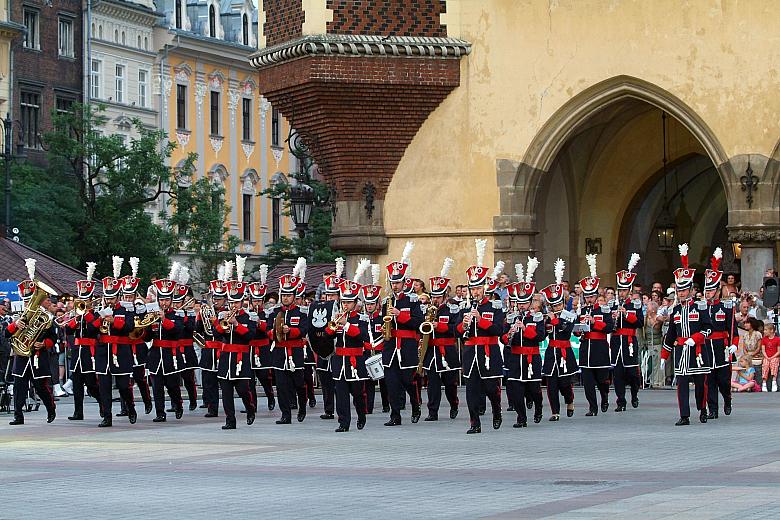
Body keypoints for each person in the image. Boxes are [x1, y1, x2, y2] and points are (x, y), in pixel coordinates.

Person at [662, 244, 713, 425]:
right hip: (681, 352)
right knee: (681, 384)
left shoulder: (700, 306)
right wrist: (664, 355)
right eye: (679, 290)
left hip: (698, 352)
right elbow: (671, 334)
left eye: (684, 290)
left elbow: (708, 328)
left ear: (691, 290)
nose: (681, 293)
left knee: (701, 385)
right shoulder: (675, 310)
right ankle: (684, 415)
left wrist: (695, 338)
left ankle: (702, 408)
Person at [459, 241, 505, 434]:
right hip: (471, 353)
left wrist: (481, 321)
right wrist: (465, 324)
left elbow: (498, 330)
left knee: (490, 388)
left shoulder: (494, 306)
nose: (475, 292)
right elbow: (456, 331)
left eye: (478, 288)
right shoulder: (464, 307)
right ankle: (474, 423)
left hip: (488, 352)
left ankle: (496, 410)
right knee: (471, 391)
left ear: (484, 288)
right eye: (473, 289)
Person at [6, 261, 57, 425]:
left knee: (40, 387)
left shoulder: (45, 317)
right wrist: (16, 325)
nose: (29, 304)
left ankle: (50, 408)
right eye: (27, 302)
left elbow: (53, 338)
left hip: (36, 356)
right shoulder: (17, 316)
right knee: (19, 387)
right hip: (21, 357)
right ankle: (18, 416)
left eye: (31, 301)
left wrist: (44, 344)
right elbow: (6, 333)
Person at [381, 242, 424, 427]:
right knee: (391, 383)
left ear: (405, 282)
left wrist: (401, 315)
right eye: (393, 282)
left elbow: (419, 323)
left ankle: (415, 406)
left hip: (406, 346)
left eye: (397, 282)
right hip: (390, 346)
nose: (395, 285)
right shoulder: (387, 301)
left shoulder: (412, 300)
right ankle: (395, 415)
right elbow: (380, 323)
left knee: (408, 381)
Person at [95, 257, 138, 427]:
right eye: (107, 297)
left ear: (118, 296)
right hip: (103, 353)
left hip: (121, 352)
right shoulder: (100, 310)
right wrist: (98, 320)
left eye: (112, 298)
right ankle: (107, 416)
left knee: (123, 386)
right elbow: (92, 330)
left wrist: (114, 321)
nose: (109, 301)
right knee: (104, 387)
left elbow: (130, 326)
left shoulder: (126, 309)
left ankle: (131, 407)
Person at [214, 258, 257, 430]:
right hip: (226, 358)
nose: (234, 305)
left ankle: (250, 408)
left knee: (242, 389)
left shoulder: (248, 317)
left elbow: (250, 336)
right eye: (231, 302)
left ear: (242, 302)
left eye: (237, 302)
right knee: (226, 392)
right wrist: (222, 327)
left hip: (241, 358)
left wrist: (237, 325)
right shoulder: (222, 315)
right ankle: (230, 420)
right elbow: (215, 334)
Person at [268, 258, 310, 424]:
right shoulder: (274, 312)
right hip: (279, 353)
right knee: (282, 386)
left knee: (299, 384)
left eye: (288, 295)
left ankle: (302, 407)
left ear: (294, 296)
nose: (285, 298)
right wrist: (275, 331)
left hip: (295, 353)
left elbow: (304, 330)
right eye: (283, 295)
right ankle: (285, 414)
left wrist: (289, 331)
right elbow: (267, 330)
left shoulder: (301, 313)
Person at [503, 257, 545, 427]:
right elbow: (502, 337)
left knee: (533, 389)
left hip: (531, 357)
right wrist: (510, 333)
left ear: (529, 303)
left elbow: (540, 336)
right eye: (519, 303)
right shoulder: (511, 317)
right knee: (515, 389)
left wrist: (525, 328)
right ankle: (521, 418)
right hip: (515, 358)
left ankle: (539, 407)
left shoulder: (537, 317)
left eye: (524, 303)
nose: (521, 306)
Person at [327, 274, 370, 432]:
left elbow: (363, 336)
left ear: (355, 303)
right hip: (339, 361)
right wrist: (331, 328)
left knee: (358, 394)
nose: (345, 305)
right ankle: (343, 422)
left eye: (348, 302)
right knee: (341, 394)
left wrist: (346, 325)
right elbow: (328, 336)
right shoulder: (337, 318)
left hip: (355, 361)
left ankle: (361, 415)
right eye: (343, 302)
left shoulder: (362, 319)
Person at [421, 258, 462, 421]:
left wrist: (439, 326)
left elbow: (455, 330)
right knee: (432, 383)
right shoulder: (426, 309)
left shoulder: (453, 309)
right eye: (433, 296)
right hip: (432, 351)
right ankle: (433, 412)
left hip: (447, 351)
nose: (435, 299)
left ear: (445, 295)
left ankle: (454, 404)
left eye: (438, 296)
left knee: (450, 383)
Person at [145, 265, 186, 423]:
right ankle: (160, 412)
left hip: (171, 355)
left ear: (171, 300)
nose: (164, 302)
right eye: (161, 299)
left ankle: (178, 403)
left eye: (166, 300)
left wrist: (164, 320)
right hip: (156, 354)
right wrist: (146, 326)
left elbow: (177, 331)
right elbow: (147, 337)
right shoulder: (152, 313)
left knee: (173, 386)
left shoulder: (177, 314)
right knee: (156, 387)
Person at [540, 258, 579, 422]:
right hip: (551, 352)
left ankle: (569, 400)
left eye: (557, 306)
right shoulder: (548, 316)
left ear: (562, 304)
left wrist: (555, 320)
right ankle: (555, 411)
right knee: (551, 384)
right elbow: (544, 333)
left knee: (564, 384)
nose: (555, 309)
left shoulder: (569, 315)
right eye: (553, 306)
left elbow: (566, 330)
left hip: (564, 351)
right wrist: (544, 322)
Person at [575, 254, 614, 416]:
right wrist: (578, 329)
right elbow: (577, 330)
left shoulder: (603, 310)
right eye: (587, 296)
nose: (589, 299)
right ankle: (593, 406)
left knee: (602, 380)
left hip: (600, 348)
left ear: (597, 297)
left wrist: (594, 323)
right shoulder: (582, 311)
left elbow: (609, 327)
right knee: (588, 383)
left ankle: (604, 396)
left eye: (592, 296)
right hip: (586, 348)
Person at [63, 262, 102, 421]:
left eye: (86, 299)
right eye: (82, 299)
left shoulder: (97, 315)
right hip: (78, 352)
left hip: (90, 353)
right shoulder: (78, 316)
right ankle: (78, 412)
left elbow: (93, 329)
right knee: (77, 384)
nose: (83, 302)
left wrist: (85, 315)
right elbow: (68, 331)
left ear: (91, 300)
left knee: (92, 385)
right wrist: (76, 319)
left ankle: (103, 404)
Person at [703, 248, 738, 419]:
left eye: (711, 290)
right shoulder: (701, 307)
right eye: (706, 290)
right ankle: (713, 409)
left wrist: (734, 345)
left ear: (717, 291)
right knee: (709, 381)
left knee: (723, 381)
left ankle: (728, 400)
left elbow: (734, 332)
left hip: (722, 347)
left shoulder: (725, 307)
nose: (708, 293)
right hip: (707, 347)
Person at [309, 259, 343, 420]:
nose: (330, 298)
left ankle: (346, 409)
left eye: (333, 294)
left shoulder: (344, 310)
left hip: (339, 352)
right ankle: (329, 409)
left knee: (340, 384)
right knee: (326, 382)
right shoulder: (319, 308)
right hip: (324, 349)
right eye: (328, 294)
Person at [611, 254, 644, 412]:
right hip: (617, 341)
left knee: (632, 373)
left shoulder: (636, 304)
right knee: (617, 374)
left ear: (629, 291)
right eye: (620, 290)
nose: (621, 293)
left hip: (630, 340)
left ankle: (634, 394)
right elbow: (608, 326)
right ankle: (620, 401)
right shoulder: (612, 305)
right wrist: (613, 318)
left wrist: (626, 315)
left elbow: (640, 323)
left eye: (624, 290)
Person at [120, 258, 153, 416]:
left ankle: (147, 400)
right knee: (124, 379)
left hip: (138, 345)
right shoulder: (119, 308)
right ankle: (125, 406)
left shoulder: (140, 308)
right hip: (123, 346)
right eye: (125, 296)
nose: (127, 299)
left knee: (139, 378)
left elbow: (146, 326)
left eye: (130, 296)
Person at [198, 266, 228, 418]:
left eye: (218, 299)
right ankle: (212, 408)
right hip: (208, 350)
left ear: (225, 299)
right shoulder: (206, 310)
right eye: (214, 298)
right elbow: (198, 330)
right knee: (208, 381)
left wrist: (216, 321)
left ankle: (228, 407)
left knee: (224, 382)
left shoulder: (228, 313)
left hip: (222, 350)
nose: (215, 301)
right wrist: (200, 316)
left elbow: (222, 331)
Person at [360, 267, 390, 414]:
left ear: (377, 304)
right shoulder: (362, 319)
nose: (369, 306)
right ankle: (368, 408)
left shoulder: (381, 318)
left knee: (384, 381)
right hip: (367, 352)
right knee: (368, 382)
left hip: (381, 351)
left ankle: (386, 404)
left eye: (372, 304)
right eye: (367, 304)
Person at [248, 269, 277, 413]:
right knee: (250, 378)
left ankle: (270, 396)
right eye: (254, 300)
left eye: (259, 300)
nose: (256, 303)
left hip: (263, 347)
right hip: (250, 348)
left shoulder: (268, 313)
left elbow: (268, 328)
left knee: (264, 376)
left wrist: (259, 322)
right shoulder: (248, 313)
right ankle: (252, 403)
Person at [173, 268, 199, 412]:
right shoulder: (170, 313)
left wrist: (182, 316)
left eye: (179, 302)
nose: (177, 305)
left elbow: (190, 328)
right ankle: (176, 402)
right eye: (175, 302)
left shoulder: (188, 313)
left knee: (188, 378)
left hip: (187, 348)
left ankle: (193, 399)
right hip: (174, 348)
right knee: (174, 379)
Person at [740, 317, 764, 388]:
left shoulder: (758, 334)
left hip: (756, 355)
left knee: (754, 362)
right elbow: (744, 347)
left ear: (752, 324)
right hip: (747, 355)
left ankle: (758, 385)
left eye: (747, 323)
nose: (745, 325)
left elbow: (759, 348)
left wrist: (751, 355)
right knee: (742, 361)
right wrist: (747, 354)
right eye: (745, 323)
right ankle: (744, 384)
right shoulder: (745, 334)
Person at [761, 323, 780, 392]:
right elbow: (763, 350)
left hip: (775, 356)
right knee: (765, 364)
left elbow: (778, 351)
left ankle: (774, 381)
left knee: (774, 363)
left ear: (771, 330)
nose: (764, 331)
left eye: (766, 330)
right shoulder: (764, 339)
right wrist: (767, 357)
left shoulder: (777, 339)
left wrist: (772, 357)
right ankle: (764, 382)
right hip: (767, 356)